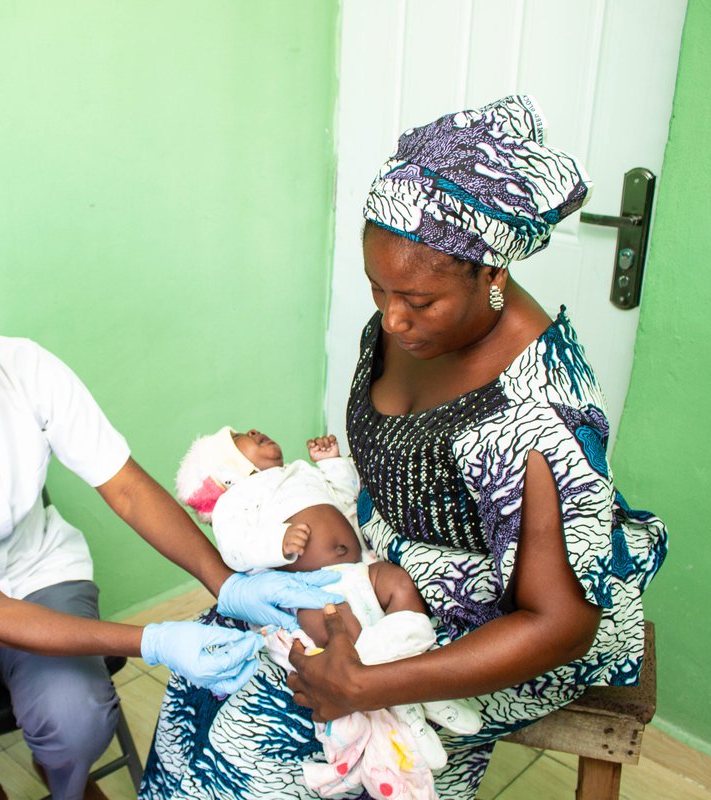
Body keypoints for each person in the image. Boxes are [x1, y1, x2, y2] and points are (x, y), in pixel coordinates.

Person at [139, 95, 667, 800]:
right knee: (209, 680)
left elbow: (560, 624)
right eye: (377, 287)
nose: (392, 316)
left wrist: (366, 683)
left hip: (495, 622)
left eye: (419, 300)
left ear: (492, 274)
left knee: (269, 757)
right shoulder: (397, 323)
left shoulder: (537, 419)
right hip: (382, 564)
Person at [0, 250, 345, 800]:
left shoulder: (29, 369)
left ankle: (64, 784)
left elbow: (127, 489)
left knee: (79, 719)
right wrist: (157, 640)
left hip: (37, 565)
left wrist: (227, 583)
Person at [171, 427, 481, 799]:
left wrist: (332, 465)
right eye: (238, 436)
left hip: (360, 570)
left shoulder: (301, 471)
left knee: (400, 584)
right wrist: (277, 544)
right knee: (342, 636)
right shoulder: (235, 500)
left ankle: (405, 683)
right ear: (227, 472)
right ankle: (409, 714)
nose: (252, 430)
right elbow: (235, 550)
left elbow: (344, 498)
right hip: (311, 591)